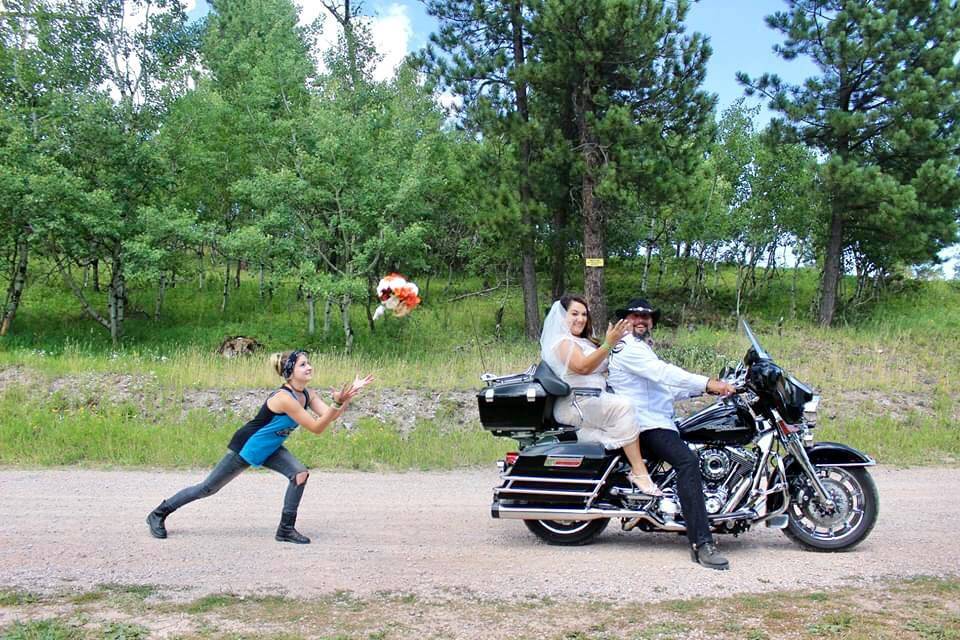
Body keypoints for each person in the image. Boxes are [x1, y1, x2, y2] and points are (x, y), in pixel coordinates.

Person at [146, 350, 374, 545]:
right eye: (303, 364)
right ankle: (158, 513)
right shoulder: (284, 398)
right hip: (248, 445)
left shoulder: (308, 394)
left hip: (271, 446)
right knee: (208, 488)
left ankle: (285, 530)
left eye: (309, 363)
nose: (309, 367)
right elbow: (317, 427)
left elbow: (328, 417)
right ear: (289, 371)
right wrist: (338, 402)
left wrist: (345, 399)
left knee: (300, 474)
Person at [607, 298, 736, 570]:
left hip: (657, 419)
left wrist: (706, 389)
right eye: (634, 316)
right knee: (687, 462)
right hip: (644, 424)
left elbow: (661, 388)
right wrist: (708, 382)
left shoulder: (642, 348)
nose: (641, 320)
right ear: (625, 320)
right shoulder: (627, 348)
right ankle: (701, 543)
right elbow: (663, 373)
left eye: (646, 317)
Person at [540, 294, 661, 495]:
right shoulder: (561, 342)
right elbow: (583, 367)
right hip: (576, 404)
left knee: (634, 409)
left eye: (584, 314)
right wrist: (608, 344)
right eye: (574, 314)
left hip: (591, 401)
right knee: (624, 407)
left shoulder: (582, 342)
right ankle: (639, 472)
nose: (580, 319)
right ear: (562, 317)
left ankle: (618, 478)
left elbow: (605, 361)